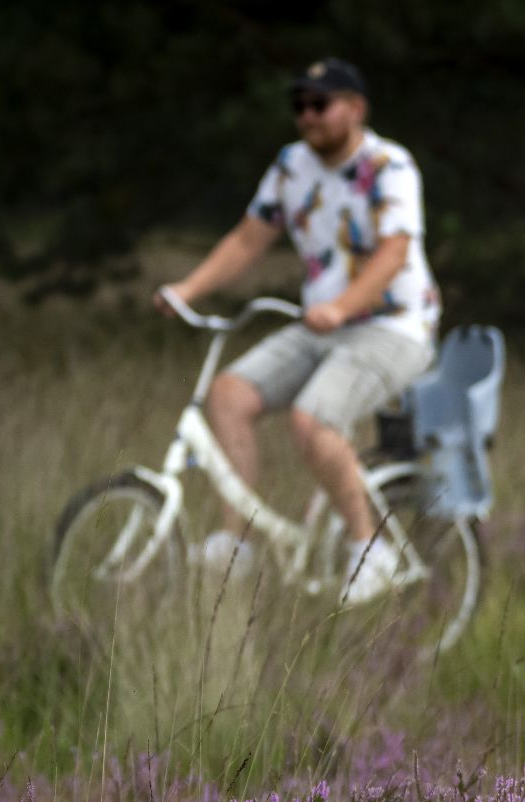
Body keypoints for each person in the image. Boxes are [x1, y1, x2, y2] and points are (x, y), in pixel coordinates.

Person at [155, 57, 440, 605]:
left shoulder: (389, 166)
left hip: (394, 326)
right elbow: (247, 239)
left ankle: (369, 549)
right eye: (299, 105)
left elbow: (394, 253)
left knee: (314, 419)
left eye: (320, 104)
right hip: (321, 325)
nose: (307, 115)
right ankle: (236, 545)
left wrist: (342, 307)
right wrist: (188, 289)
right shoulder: (291, 166)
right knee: (228, 395)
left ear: (355, 109)